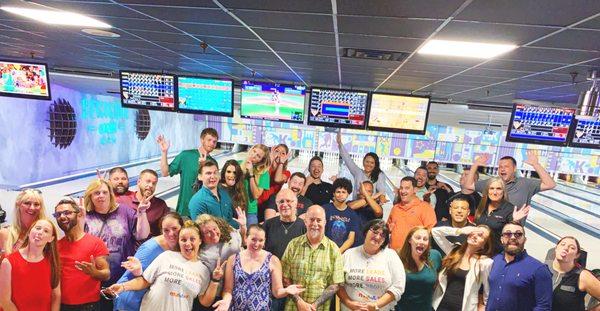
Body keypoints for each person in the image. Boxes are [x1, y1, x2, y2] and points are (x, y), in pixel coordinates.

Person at [107, 221, 222, 311]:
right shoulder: (167, 256)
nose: (188, 243)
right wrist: (122, 287)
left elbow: (205, 301)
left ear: (200, 241)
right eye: (183, 240)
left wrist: (215, 280)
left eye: (192, 239)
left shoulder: (203, 270)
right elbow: (144, 281)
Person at [212, 225, 305, 311]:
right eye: (253, 239)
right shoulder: (233, 259)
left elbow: (277, 292)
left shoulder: (273, 260)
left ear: (264, 241)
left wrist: (287, 290)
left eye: (261, 240)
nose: (256, 244)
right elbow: (228, 289)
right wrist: (226, 301)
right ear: (245, 238)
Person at [83, 179, 150, 287]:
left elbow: (142, 235)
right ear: (90, 196)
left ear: (110, 194)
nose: (101, 195)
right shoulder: (86, 217)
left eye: (105, 192)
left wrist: (142, 212)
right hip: (96, 277)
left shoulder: (124, 211)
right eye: (96, 193)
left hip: (124, 276)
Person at [113, 212, 184, 311]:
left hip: (150, 301)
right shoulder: (151, 248)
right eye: (166, 230)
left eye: (175, 228)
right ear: (161, 231)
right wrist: (137, 271)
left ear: (182, 227)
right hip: (130, 297)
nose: (171, 233)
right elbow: (138, 277)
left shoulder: (182, 246)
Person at [281, 205, 344, 311]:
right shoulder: (293, 245)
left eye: (319, 220)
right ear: (305, 221)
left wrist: (313, 306)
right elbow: (285, 278)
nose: (315, 224)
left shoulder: (334, 250)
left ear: (325, 222)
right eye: (311, 219)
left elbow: (335, 285)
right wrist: (300, 302)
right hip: (293, 307)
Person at [54, 197, 110, 310]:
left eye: (67, 213)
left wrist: (94, 272)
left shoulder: (95, 243)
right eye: (58, 214)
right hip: (61, 305)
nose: (62, 217)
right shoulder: (56, 246)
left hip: (88, 306)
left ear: (78, 214)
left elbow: (106, 274)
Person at [338, 220, 405, 311]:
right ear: (366, 232)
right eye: (375, 232)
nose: (377, 237)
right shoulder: (349, 254)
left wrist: (375, 305)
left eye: (382, 235)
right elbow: (337, 283)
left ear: (384, 240)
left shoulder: (391, 256)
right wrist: (349, 303)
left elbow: (398, 286)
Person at [486, 222, 553, 311]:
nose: (513, 237)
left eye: (518, 234)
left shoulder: (539, 269)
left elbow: (543, 307)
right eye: (508, 234)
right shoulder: (494, 261)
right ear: (502, 239)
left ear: (524, 240)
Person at [0, 219, 61, 311]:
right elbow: (5, 301)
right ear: (29, 232)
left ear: (51, 239)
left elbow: (56, 296)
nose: (40, 232)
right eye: (38, 228)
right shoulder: (8, 262)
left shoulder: (52, 262)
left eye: (46, 231)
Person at [461, 152, 556, 211]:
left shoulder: (526, 184)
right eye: (500, 167)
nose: (502, 169)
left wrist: (536, 164)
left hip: (513, 235)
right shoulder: (491, 183)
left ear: (514, 169)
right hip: (490, 231)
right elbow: (468, 185)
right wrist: (475, 165)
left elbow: (550, 184)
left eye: (506, 167)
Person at [157, 127, 219, 217]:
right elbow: (165, 172)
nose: (212, 144)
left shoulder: (213, 163)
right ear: (202, 140)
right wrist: (164, 152)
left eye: (214, 141)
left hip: (205, 213)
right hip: (185, 211)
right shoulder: (186, 156)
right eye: (209, 140)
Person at [263, 188, 307, 311]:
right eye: (281, 202)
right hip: (272, 285)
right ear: (276, 205)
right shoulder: (268, 225)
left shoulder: (304, 226)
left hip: (296, 286)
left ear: (296, 203)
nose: (284, 204)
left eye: (289, 201)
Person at [431, 225, 494, 311]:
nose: (475, 235)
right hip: (440, 306)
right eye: (474, 232)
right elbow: (435, 232)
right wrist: (459, 231)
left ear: (484, 245)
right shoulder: (454, 251)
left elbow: (487, 292)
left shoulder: (484, 263)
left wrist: (484, 307)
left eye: (480, 235)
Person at [474, 177, 530, 254]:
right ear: (487, 191)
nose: (494, 192)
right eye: (491, 188)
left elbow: (512, 234)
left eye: (498, 189)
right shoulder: (481, 205)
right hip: (477, 250)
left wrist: (515, 220)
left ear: (503, 191)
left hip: (496, 253)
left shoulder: (509, 209)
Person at [395, 226, 442, 311]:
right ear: (409, 240)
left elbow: (439, 279)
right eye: (418, 238)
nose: (421, 242)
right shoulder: (397, 258)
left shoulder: (435, 256)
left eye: (425, 239)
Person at [549, 236, 600, 310]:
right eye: (563, 244)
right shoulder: (542, 269)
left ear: (577, 255)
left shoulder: (583, 276)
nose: (566, 248)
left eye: (572, 248)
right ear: (556, 248)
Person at [118, 169, 170, 240]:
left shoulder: (161, 205)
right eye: (148, 181)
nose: (151, 185)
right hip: (127, 246)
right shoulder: (124, 200)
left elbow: (167, 229)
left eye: (154, 183)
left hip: (149, 246)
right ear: (139, 182)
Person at [387, 177, 437, 250]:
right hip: (394, 254)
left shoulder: (425, 207)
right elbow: (388, 228)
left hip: (414, 256)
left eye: (407, 188)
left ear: (415, 190)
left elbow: (430, 231)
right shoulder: (395, 208)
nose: (403, 191)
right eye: (401, 188)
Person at [337, 131, 387, 199]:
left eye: (372, 163)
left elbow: (382, 191)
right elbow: (348, 159)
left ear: (375, 164)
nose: (369, 164)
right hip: (356, 205)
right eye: (367, 162)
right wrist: (340, 143)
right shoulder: (358, 172)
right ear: (363, 162)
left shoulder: (379, 175)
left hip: (370, 206)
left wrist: (382, 198)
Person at [189, 161, 238, 229]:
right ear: (200, 177)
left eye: (215, 173)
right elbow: (203, 231)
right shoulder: (197, 201)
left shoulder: (224, 194)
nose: (212, 176)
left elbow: (229, 219)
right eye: (208, 173)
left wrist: (241, 226)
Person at [0, 188, 47, 255]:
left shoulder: (48, 232)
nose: (32, 208)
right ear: (18, 205)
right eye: (27, 203)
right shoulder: (5, 233)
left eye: (36, 204)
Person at [323, 177, 360, 253]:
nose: (340, 194)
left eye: (343, 192)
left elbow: (351, 239)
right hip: (324, 249)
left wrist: (339, 252)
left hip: (342, 253)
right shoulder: (325, 209)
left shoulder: (352, 214)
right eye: (338, 192)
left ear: (348, 194)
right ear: (333, 193)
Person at [257, 144, 291, 222]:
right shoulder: (262, 167)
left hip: (269, 206)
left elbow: (277, 179)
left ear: (286, 157)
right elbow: (260, 176)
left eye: (283, 153)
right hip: (255, 204)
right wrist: (270, 159)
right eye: (277, 151)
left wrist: (281, 163)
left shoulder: (286, 173)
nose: (279, 154)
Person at [240, 144, 271, 225]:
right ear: (251, 149)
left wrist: (251, 173)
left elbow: (256, 195)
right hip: (234, 208)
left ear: (261, 160)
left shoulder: (264, 173)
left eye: (258, 156)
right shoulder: (238, 164)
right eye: (254, 151)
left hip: (250, 211)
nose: (253, 156)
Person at [347, 180, 385, 246]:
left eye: (369, 191)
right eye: (364, 190)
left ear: (372, 193)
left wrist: (368, 197)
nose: (365, 193)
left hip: (367, 245)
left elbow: (378, 211)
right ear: (359, 191)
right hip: (350, 244)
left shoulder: (376, 206)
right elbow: (350, 207)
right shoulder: (351, 202)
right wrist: (371, 198)